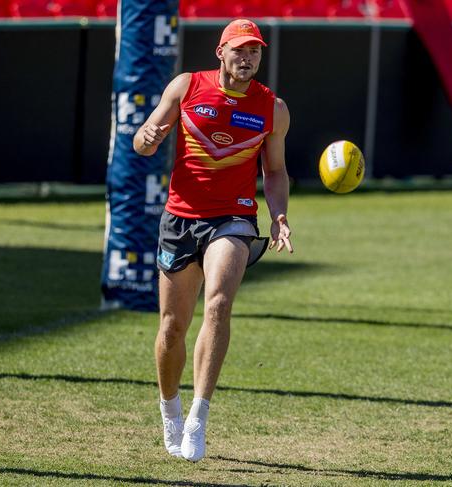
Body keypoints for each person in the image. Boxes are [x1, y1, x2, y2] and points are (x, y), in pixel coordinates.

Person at [133, 18, 293, 462]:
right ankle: (170, 411)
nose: (248, 58)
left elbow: (274, 171)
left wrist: (279, 215)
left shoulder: (272, 109)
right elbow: (143, 141)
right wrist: (145, 139)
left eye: (255, 51)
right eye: (240, 50)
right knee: (172, 327)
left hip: (234, 218)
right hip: (180, 218)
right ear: (220, 52)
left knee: (219, 303)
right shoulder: (186, 86)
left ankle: (199, 417)